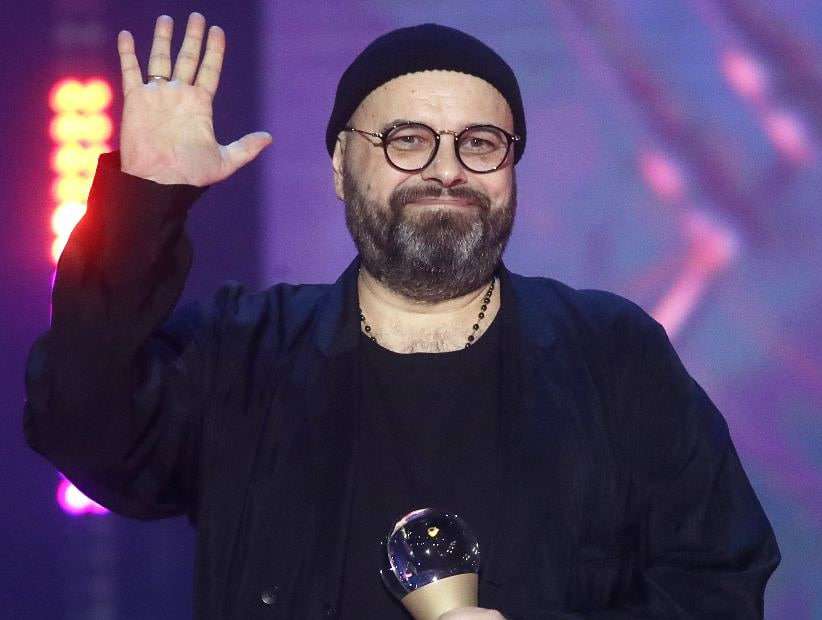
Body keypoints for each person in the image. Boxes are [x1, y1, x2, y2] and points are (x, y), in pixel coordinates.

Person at [23, 12, 779, 620]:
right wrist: (142, 205)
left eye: (480, 144)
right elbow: (78, 421)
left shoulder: (612, 356)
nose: (446, 169)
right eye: (406, 140)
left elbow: (719, 585)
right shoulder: (244, 354)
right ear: (339, 165)